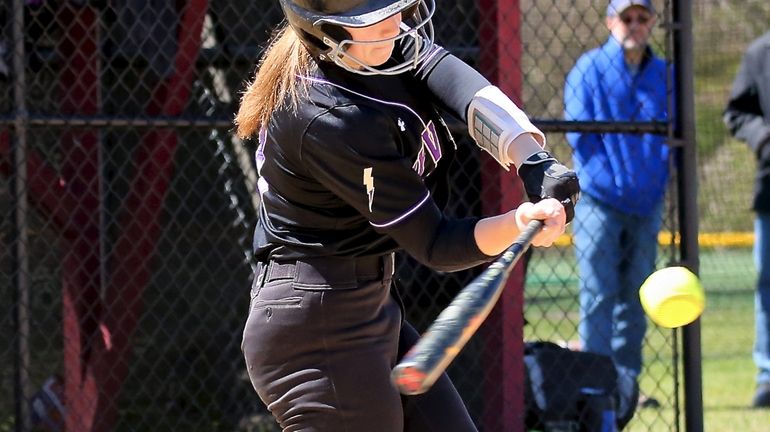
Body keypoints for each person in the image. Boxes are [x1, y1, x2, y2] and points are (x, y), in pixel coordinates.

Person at [234, 0, 580, 430]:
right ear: (327, 31)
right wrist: (518, 223)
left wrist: (533, 159)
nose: (396, 21)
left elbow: (452, 79)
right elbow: (436, 243)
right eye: (376, 15)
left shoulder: (373, 49)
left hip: (367, 303)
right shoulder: (330, 115)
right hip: (317, 329)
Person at [564, 0, 670, 425]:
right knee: (598, 296)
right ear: (611, 22)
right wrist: (616, 184)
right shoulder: (588, 69)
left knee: (636, 298)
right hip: (600, 203)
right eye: (627, 17)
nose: (635, 25)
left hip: (647, 205)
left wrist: (651, 182)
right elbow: (579, 137)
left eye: (643, 18)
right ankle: (596, 389)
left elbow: (673, 138)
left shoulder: (665, 74)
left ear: (652, 24)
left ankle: (627, 387)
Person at [723, 30, 770, 409]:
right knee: (768, 284)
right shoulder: (759, 53)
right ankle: (768, 374)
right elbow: (736, 112)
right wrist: (765, 139)